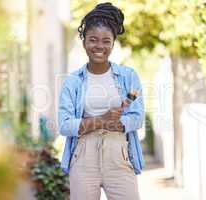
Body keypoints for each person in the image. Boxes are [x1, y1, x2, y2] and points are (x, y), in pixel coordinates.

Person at [58, 2, 145, 200]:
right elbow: (64, 125)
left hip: (120, 156)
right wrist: (102, 119)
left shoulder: (129, 76)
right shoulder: (72, 81)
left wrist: (119, 123)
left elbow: (137, 117)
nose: (99, 46)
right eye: (93, 40)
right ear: (84, 43)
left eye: (106, 41)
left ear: (113, 43)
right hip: (83, 157)